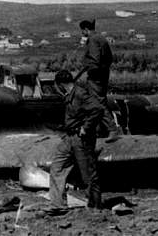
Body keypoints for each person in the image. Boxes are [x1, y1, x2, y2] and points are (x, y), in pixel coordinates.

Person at [49, 70, 103, 212]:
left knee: (88, 174)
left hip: (81, 139)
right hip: (69, 138)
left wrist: (86, 127)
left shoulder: (80, 93)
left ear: (61, 84)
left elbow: (98, 108)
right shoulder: (70, 95)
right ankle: (58, 205)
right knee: (57, 167)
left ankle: (95, 206)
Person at [79, 19, 120, 142]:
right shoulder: (102, 38)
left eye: (82, 31)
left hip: (95, 76)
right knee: (100, 101)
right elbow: (109, 58)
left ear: (86, 29)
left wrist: (90, 71)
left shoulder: (92, 39)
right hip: (103, 75)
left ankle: (112, 129)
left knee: (97, 103)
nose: (82, 34)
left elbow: (95, 60)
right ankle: (98, 130)